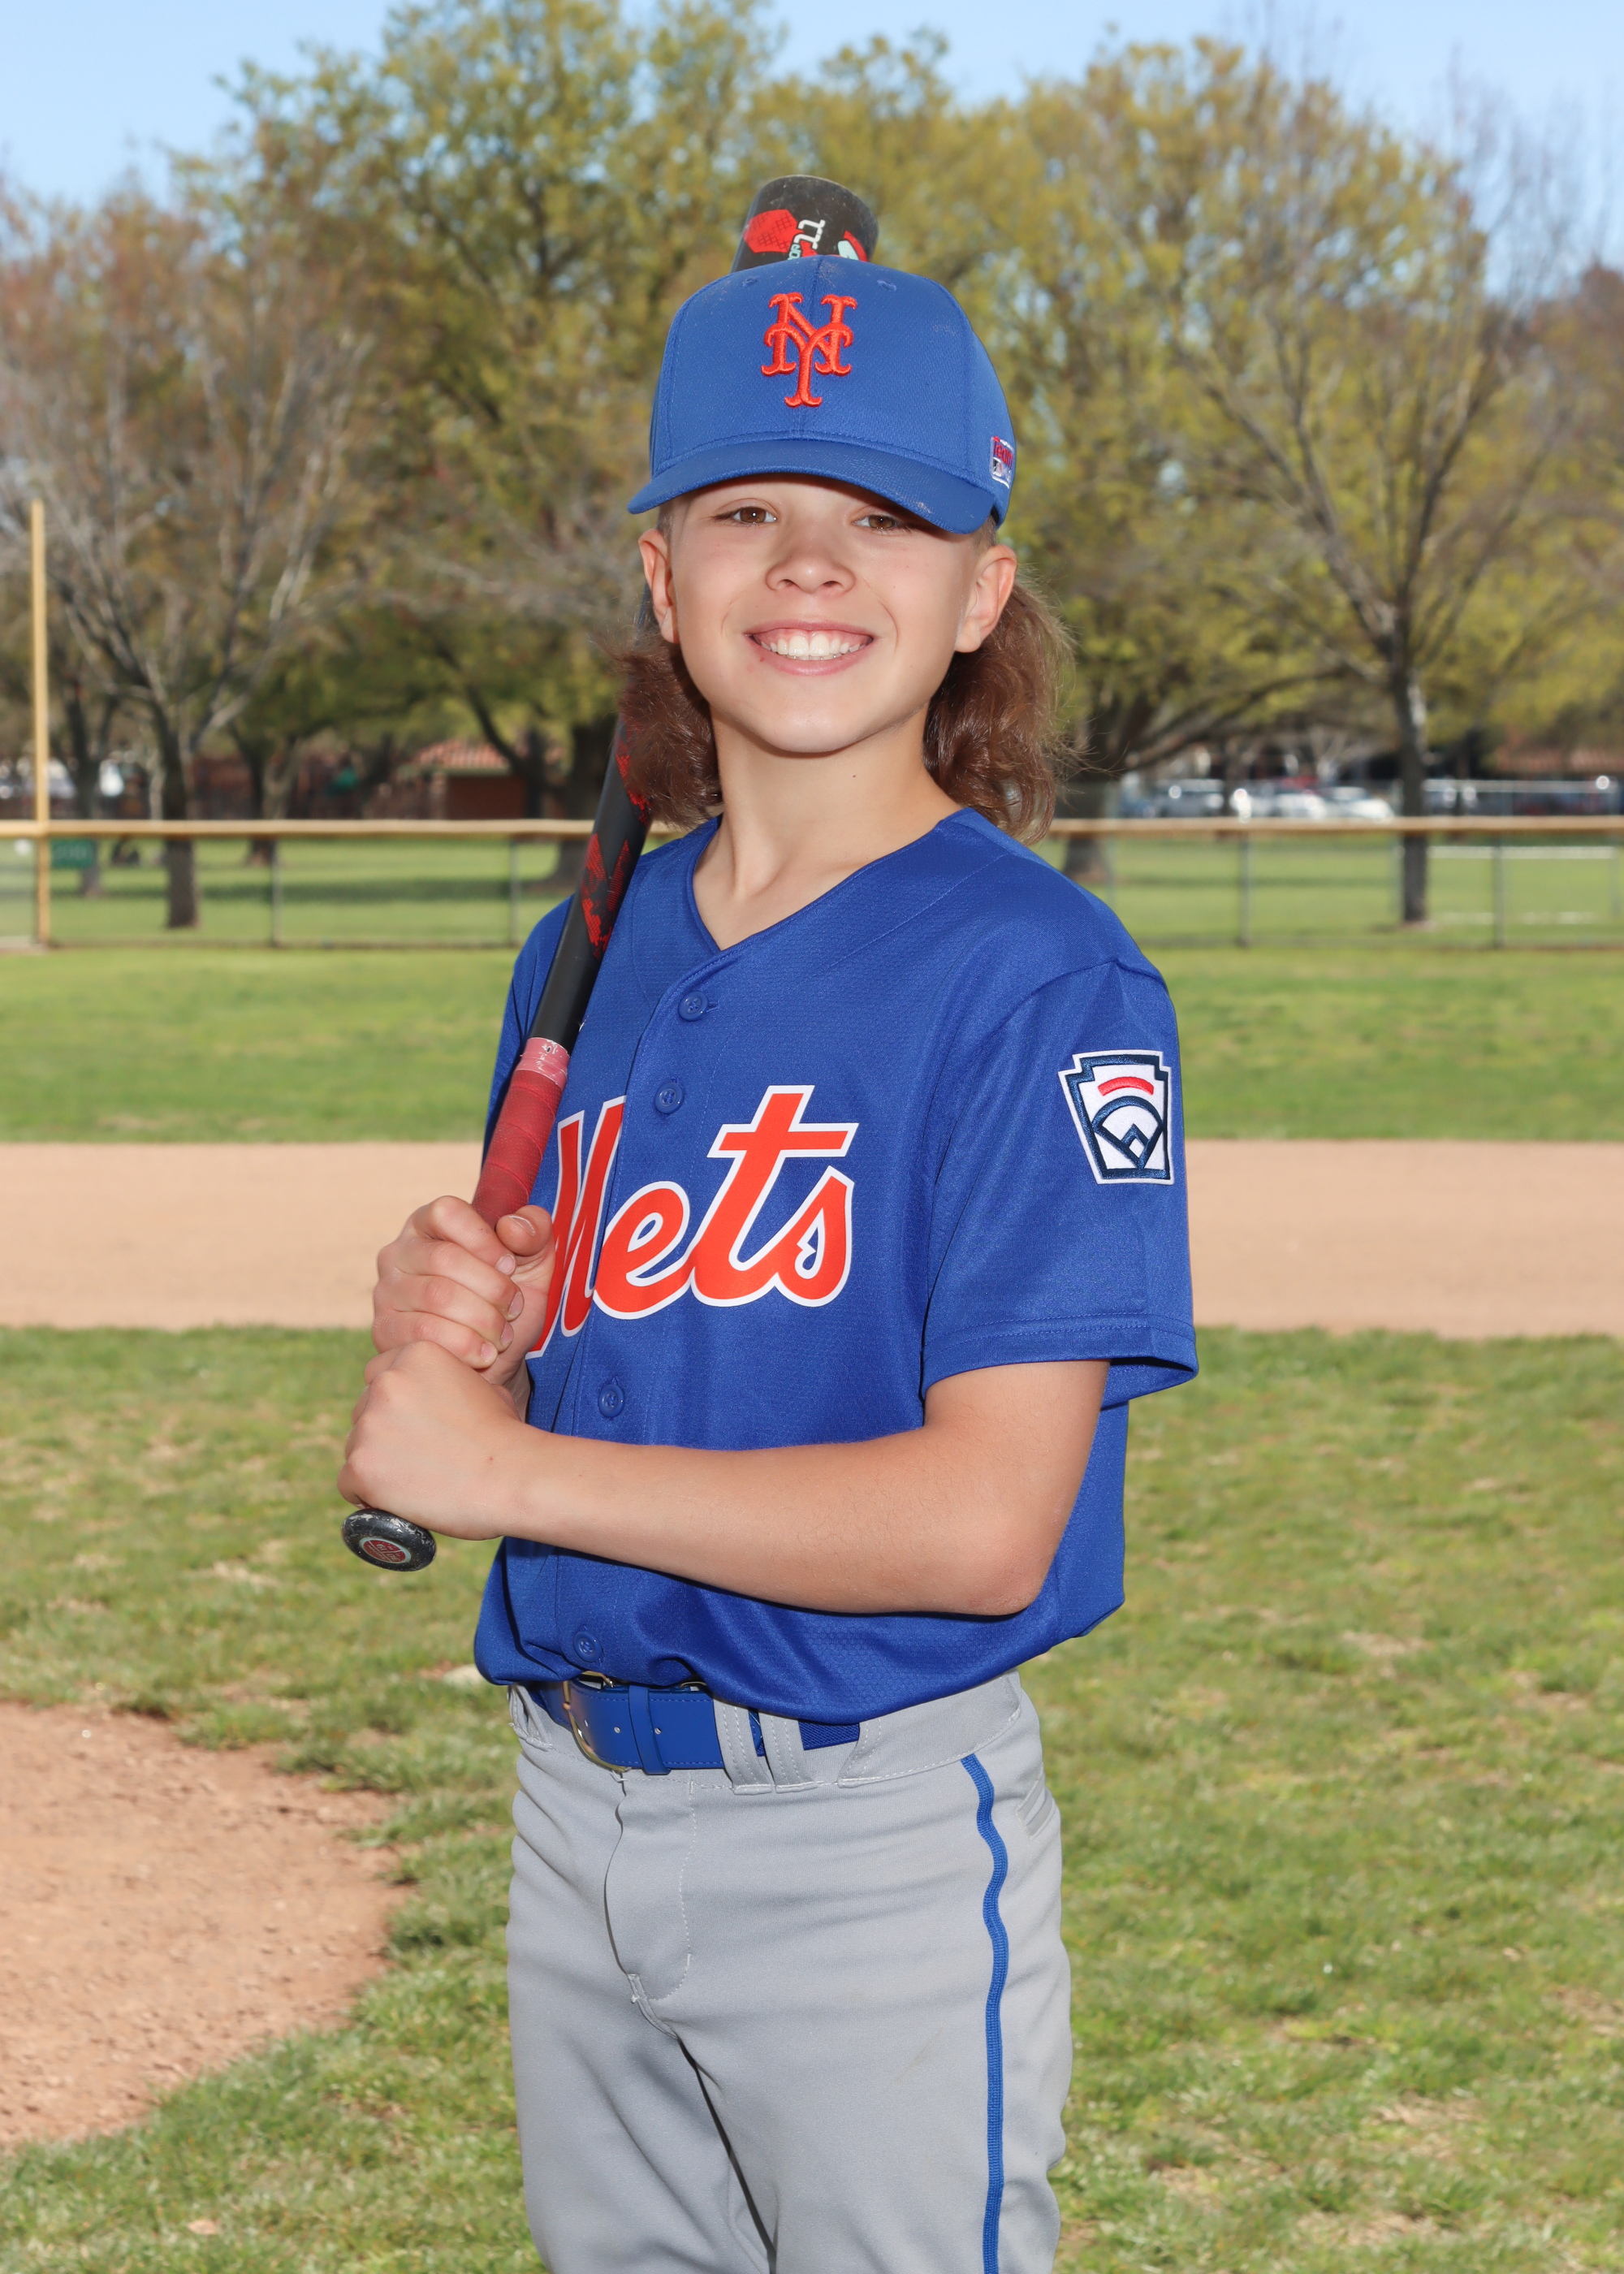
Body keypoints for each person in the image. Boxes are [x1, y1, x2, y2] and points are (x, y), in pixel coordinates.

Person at [342, 255, 1195, 2274]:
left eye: (883, 516)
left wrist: (505, 1469)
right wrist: (487, 1336)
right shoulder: (595, 950)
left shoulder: (1038, 979)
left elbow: (985, 1523)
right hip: (574, 1811)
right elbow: (608, 1353)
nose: (810, 562)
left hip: (862, 1844)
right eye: (746, 509)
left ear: (980, 589)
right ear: (664, 578)